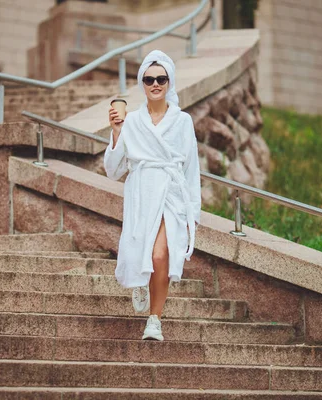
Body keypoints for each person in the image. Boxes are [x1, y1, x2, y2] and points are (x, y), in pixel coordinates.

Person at [104, 50, 201, 341]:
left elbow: (191, 169)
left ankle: (154, 320)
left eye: (161, 78)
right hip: (141, 193)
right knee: (142, 251)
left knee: (161, 254)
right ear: (141, 83)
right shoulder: (132, 121)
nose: (155, 84)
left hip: (171, 194)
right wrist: (117, 131)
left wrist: (192, 214)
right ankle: (139, 278)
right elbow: (113, 169)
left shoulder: (183, 122)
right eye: (149, 79)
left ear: (170, 82)